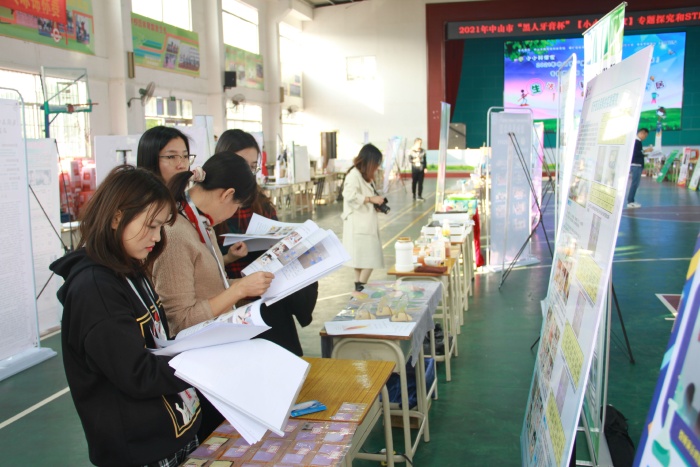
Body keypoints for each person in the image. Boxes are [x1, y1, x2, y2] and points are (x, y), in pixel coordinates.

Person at [49, 165, 201, 466]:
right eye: (151, 226)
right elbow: (136, 373)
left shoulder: (130, 266)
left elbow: (156, 340)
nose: (156, 237)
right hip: (142, 450)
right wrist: (202, 363)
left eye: (161, 227)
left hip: (174, 431)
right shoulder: (95, 289)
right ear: (117, 217)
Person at [151, 152, 274, 440]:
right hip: (196, 364)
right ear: (227, 195)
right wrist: (238, 290)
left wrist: (248, 286)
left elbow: (209, 286)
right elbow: (181, 321)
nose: (233, 214)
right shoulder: (176, 233)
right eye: (237, 206)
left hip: (215, 351)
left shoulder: (199, 223)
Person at [214, 129, 317, 356]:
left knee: (284, 360)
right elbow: (203, 266)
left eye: (252, 166)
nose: (247, 173)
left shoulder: (260, 201)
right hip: (231, 305)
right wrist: (229, 257)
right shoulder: (211, 206)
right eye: (241, 164)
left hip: (268, 301)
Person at [341, 143, 386, 291]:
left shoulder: (364, 176)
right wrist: (370, 199)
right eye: (376, 163)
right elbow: (349, 195)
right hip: (358, 223)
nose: (377, 167)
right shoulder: (354, 175)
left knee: (360, 259)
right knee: (370, 257)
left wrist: (375, 203)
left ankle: (358, 288)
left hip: (365, 221)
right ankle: (360, 289)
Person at [627, 128, 649, 208]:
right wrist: (645, 151)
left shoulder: (636, 141)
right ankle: (630, 201)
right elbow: (636, 153)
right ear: (642, 133)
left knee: (635, 183)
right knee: (635, 183)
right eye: (645, 136)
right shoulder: (636, 142)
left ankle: (631, 200)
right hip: (636, 165)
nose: (645, 138)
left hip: (636, 164)